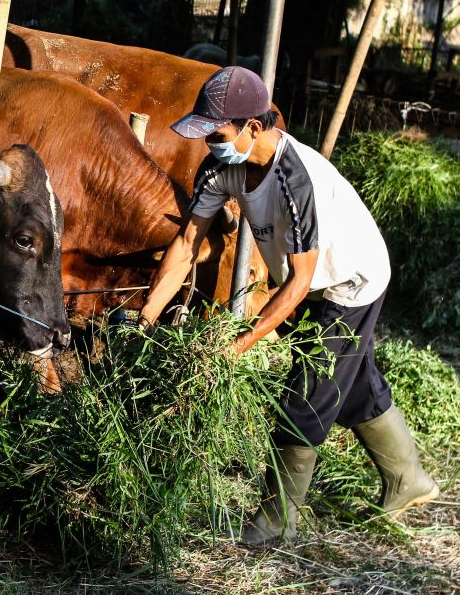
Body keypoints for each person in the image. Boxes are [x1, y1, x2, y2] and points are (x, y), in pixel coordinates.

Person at [139, 66, 439, 546]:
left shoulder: (295, 180)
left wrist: (238, 344)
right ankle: (409, 480)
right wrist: (147, 316)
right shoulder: (221, 166)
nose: (209, 143)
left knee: (306, 395)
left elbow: (300, 282)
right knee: (353, 380)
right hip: (308, 282)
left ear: (252, 127)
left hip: (350, 280)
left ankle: (278, 521)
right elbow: (187, 240)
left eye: (217, 133)